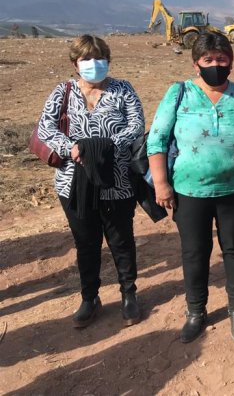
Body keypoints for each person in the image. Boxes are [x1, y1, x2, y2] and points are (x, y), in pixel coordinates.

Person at [147, 32, 234, 344]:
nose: (216, 65)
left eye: (222, 59)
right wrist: (161, 184)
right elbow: (157, 139)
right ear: (195, 64)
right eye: (208, 60)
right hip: (189, 192)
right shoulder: (179, 93)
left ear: (231, 61)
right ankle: (195, 311)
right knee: (195, 252)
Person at [37, 34, 145, 328]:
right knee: (85, 242)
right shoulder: (63, 92)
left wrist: (106, 147)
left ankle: (128, 294)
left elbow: (136, 125)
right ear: (75, 63)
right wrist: (71, 149)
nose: (94, 64)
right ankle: (90, 298)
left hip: (116, 179)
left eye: (100, 58)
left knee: (121, 240)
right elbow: (45, 128)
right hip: (74, 182)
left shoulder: (123, 89)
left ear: (108, 60)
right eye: (87, 59)